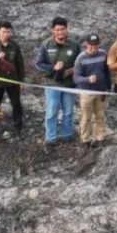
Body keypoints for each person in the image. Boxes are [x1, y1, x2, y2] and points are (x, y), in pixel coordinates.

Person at [34, 16, 81, 154]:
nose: (60, 32)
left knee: (68, 111)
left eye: (63, 29)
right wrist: (53, 67)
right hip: (52, 84)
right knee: (51, 112)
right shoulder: (46, 45)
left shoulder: (74, 45)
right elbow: (38, 64)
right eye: (58, 29)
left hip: (69, 85)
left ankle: (67, 136)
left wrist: (73, 70)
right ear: (53, 30)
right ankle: (50, 139)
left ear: (67, 29)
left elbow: (81, 62)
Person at [73, 34, 111, 148]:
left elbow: (107, 72)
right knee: (86, 117)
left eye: (95, 44)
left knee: (100, 115)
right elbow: (76, 78)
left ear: (99, 44)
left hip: (101, 91)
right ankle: (86, 140)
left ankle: (101, 138)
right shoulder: (81, 58)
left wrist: (108, 88)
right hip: (87, 93)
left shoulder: (103, 54)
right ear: (86, 44)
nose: (93, 47)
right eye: (91, 44)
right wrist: (87, 79)